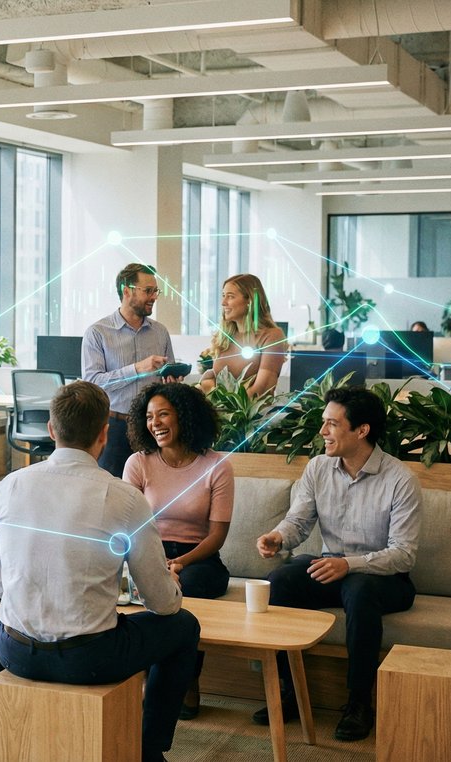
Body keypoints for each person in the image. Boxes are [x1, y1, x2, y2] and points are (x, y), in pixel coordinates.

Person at [0, 380, 199, 762]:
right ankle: (149, 750)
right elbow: (162, 604)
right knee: (184, 626)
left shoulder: (9, 486)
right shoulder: (124, 498)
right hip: (87, 659)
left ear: (51, 430)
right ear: (104, 433)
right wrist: (168, 585)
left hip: (14, 650)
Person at [254, 387, 420, 742]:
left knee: (359, 590)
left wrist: (350, 564)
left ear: (361, 430)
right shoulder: (318, 468)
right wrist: (278, 537)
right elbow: (298, 521)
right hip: (332, 568)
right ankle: (289, 692)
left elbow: (404, 553)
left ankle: (359, 703)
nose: (322, 431)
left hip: (385, 578)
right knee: (279, 582)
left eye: (331, 424)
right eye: (323, 422)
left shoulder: (400, 479)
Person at [124, 382, 233, 720]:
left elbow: (217, 535)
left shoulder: (217, 465)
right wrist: (155, 562)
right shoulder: (138, 463)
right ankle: (147, 677)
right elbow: (128, 524)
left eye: (163, 414)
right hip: (148, 551)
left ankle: (188, 680)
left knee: (188, 589)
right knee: (144, 587)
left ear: (185, 416)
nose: (154, 423)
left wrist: (180, 563)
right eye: (149, 417)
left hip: (199, 558)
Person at [82, 262, 180, 478]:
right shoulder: (98, 333)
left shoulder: (160, 332)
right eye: (148, 291)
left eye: (156, 291)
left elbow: (168, 378)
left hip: (153, 427)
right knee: (111, 488)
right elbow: (93, 383)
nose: (154, 297)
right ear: (127, 291)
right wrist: (137, 369)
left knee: (154, 487)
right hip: (114, 427)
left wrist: (172, 382)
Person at [198, 274, 287, 397]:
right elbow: (211, 378)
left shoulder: (272, 336)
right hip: (217, 408)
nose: (223, 303)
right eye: (223, 296)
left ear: (249, 301)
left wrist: (212, 390)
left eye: (230, 296)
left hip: (250, 410)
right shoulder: (224, 337)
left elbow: (261, 390)